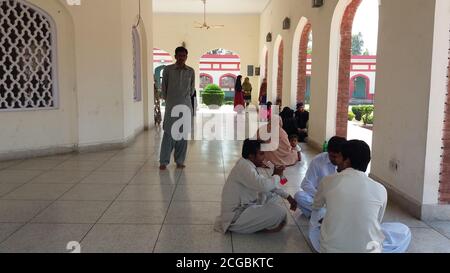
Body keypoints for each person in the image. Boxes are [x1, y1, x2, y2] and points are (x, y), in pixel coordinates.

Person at [309, 140, 412, 253]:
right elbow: (377, 222)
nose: (336, 161)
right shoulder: (381, 189)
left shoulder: (328, 181)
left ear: (347, 161)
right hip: (367, 249)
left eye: (339, 157)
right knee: (403, 231)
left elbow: (316, 206)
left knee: (316, 221)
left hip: (330, 249)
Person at [214, 139, 297, 234]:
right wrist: (277, 175)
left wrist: (288, 197)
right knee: (280, 212)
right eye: (261, 154)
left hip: (246, 207)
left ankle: (256, 222)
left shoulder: (247, 164)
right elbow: (263, 185)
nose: (264, 157)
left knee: (273, 195)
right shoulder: (244, 167)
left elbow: (266, 185)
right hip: (235, 216)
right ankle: (245, 227)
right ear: (251, 156)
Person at [159, 47, 195, 170]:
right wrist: (170, 100)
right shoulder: (168, 70)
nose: (181, 58)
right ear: (175, 56)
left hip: (185, 107)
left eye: (184, 56)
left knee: (183, 135)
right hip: (171, 107)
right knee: (169, 133)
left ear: (186, 57)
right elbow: (164, 88)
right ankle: (163, 161)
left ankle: (180, 160)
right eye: (179, 55)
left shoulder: (190, 71)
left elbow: (191, 90)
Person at [294, 136, 347, 218]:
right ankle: (325, 216)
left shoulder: (347, 163)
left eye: (337, 157)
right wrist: (322, 197)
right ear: (327, 152)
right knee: (299, 196)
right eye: (332, 156)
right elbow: (306, 184)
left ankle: (319, 215)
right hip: (321, 199)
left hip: (339, 200)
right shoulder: (318, 160)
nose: (335, 160)